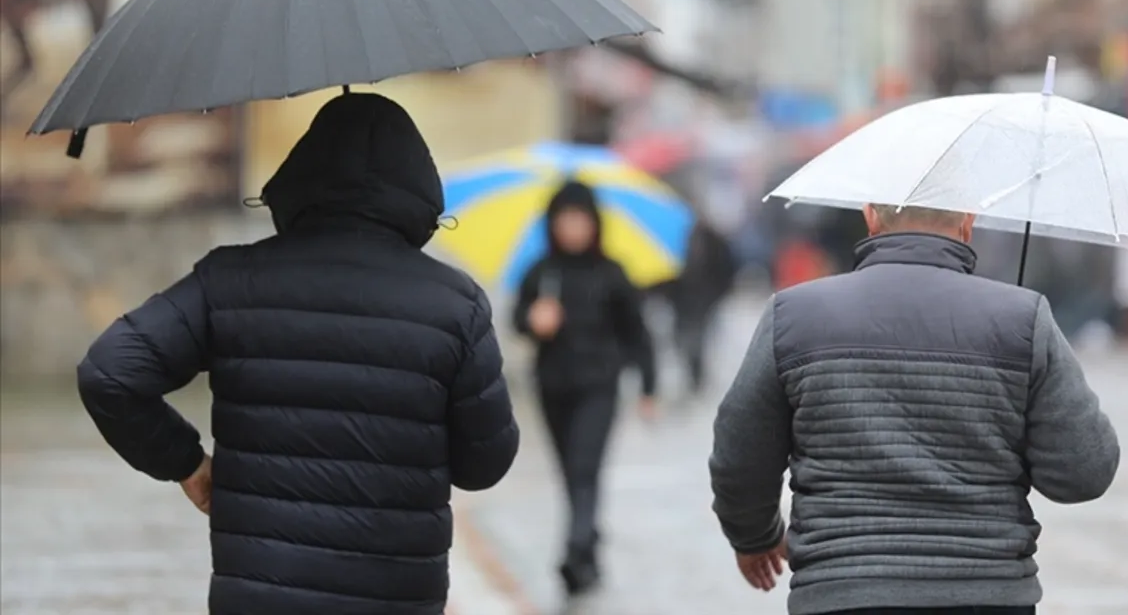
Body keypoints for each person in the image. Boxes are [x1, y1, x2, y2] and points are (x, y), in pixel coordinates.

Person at [77, 93, 520, 615]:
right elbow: (483, 464)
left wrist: (188, 463)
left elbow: (111, 372)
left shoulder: (230, 280)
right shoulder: (455, 305)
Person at [709, 204, 1121, 615]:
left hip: (842, 590)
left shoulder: (792, 315)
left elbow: (739, 454)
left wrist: (755, 537)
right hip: (988, 593)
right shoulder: (1021, 317)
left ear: (871, 217)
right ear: (968, 221)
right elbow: (1084, 472)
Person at [512, 180, 658, 595]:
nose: (573, 227)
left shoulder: (612, 273)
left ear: (594, 223)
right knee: (569, 472)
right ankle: (588, 549)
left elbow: (638, 334)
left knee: (583, 469)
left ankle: (575, 549)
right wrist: (533, 321)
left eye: (580, 219)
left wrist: (649, 388)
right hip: (552, 387)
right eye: (565, 219)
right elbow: (517, 319)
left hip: (599, 387)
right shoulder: (541, 272)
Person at [672, 213, 736, 393]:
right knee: (683, 338)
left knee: (698, 338)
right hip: (683, 299)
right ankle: (694, 373)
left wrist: (719, 293)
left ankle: (697, 375)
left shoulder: (715, 242)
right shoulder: (676, 240)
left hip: (705, 298)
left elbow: (726, 268)